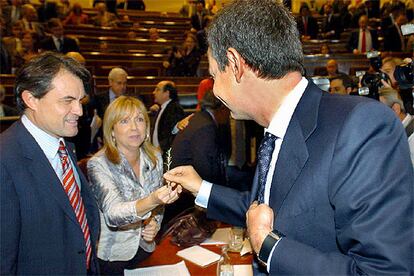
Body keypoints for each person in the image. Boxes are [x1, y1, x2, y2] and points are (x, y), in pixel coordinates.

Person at [164, 0, 414, 274]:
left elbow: (384, 271)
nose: (215, 90)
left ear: (235, 64)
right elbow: (266, 210)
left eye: (214, 75)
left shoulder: (362, 126)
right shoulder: (277, 128)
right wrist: (201, 188)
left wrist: (270, 247)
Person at [0, 52, 100, 274]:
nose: (79, 111)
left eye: (80, 100)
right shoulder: (4, 161)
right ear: (31, 99)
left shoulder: (64, 145)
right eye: (67, 101)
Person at [87, 96, 181, 275]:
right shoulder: (98, 164)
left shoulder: (154, 158)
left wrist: (155, 222)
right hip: (113, 255)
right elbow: (113, 214)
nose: (134, 127)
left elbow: (158, 206)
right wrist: (152, 200)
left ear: (146, 127)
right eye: (124, 121)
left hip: (145, 247)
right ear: (111, 130)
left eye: (139, 119)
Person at [163, 90, 230, 225]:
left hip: (183, 189)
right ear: (222, 107)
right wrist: (214, 198)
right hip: (186, 195)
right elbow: (204, 167)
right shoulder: (205, 126)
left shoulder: (200, 119)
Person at [150, 81, 186, 160]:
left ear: (167, 93)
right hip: (158, 154)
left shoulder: (175, 109)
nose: (154, 92)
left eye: (157, 89)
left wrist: (162, 148)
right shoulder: (163, 107)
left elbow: (175, 132)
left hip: (166, 155)